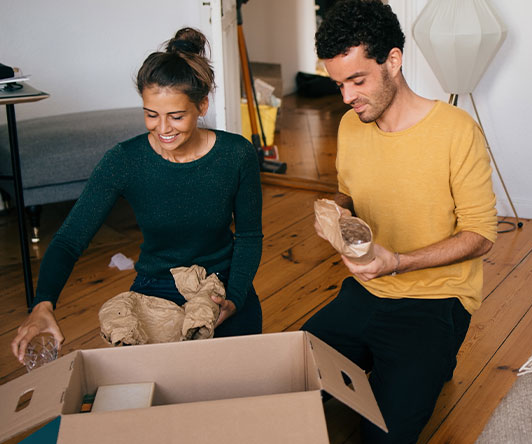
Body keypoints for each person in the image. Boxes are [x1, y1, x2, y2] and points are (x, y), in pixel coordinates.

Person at [302, 1, 498, 442]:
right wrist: (335, 215)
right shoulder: (352, 125)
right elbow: (348, 192)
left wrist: (397, 263)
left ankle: (430, 361)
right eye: (339, 84)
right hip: (364, 291)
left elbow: (482, 235)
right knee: (283, 381)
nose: (348, 97)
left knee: (384, 437)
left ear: (393, 60)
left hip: (434, 301)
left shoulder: (455, 130)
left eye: (357, 80)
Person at [11, 27, 263, 362]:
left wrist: (235, 296)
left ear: (202, 105)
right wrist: (43, 302)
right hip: (155, 287)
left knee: (239, 379)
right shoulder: (125, 160)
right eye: (150, 115)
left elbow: (249, 236)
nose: (162, 129)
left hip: (221, 285)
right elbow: (71, 238)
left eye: (176, 116)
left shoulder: (236, 154)